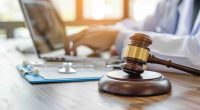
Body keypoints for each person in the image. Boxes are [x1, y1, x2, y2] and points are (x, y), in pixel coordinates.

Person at [65, 0, 200, 73]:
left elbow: (197, 52)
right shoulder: (171, 3)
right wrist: (108, 32)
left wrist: (117, 38)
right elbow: (142, 26)